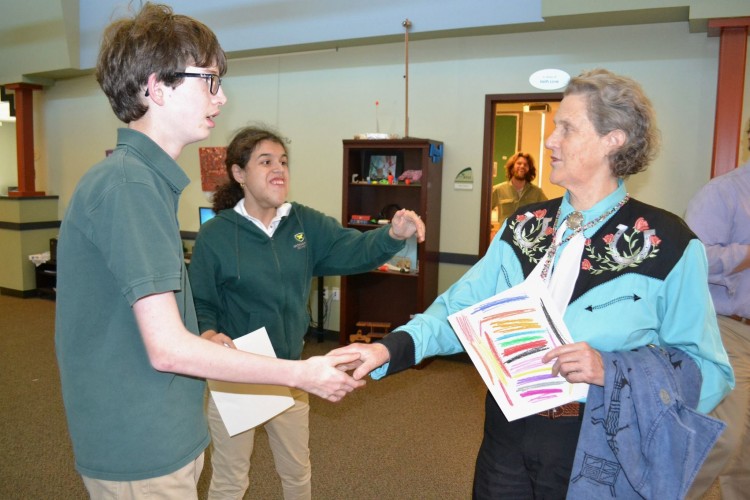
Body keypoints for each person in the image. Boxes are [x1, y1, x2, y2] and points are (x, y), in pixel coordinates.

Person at [332, 69, 734, 498]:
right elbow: (458, 312)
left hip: (598, 445)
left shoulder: (668, 243)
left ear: (612, 139)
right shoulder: (524, 226)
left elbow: (707, 371)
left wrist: (611, 370)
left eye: (567, 128)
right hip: (507, 433)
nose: (549, 140)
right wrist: (386, 348)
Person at [54, 5, 363, 499]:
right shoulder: (129, 185)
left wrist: (208, 337)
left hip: (163, 431)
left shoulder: (141, 182)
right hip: (142, 445)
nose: (222, 96)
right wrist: (302, 373)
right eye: (210, 80)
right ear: (156, 88)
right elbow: (168, 348)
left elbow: (152, 326)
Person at [188, 125, 425, 500]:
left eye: (282, 161)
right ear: (238, 173)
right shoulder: (217, 234)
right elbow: (200, 301)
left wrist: (392, 236)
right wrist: (207, 333)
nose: (278, 169)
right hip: (235, 374)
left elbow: (353, 248)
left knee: (297, 474)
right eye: (265, 162)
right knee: (231, 479)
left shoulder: (302, 223)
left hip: (290, 371)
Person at [684, 121, 750, 500]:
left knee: (746, 450)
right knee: (721, 439)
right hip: (728, 330)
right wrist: (746, 254)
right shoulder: (723, 192)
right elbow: (693, 259)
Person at [490, 151, 547, 223]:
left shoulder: (537, 192)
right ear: (512, 167)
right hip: (506, 233)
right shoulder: (498, 190)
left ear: (529, 169)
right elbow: (483, 211)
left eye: (526, 165)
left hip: (528, 233)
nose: (522, 166)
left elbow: (548, 211)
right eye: (519, 163)